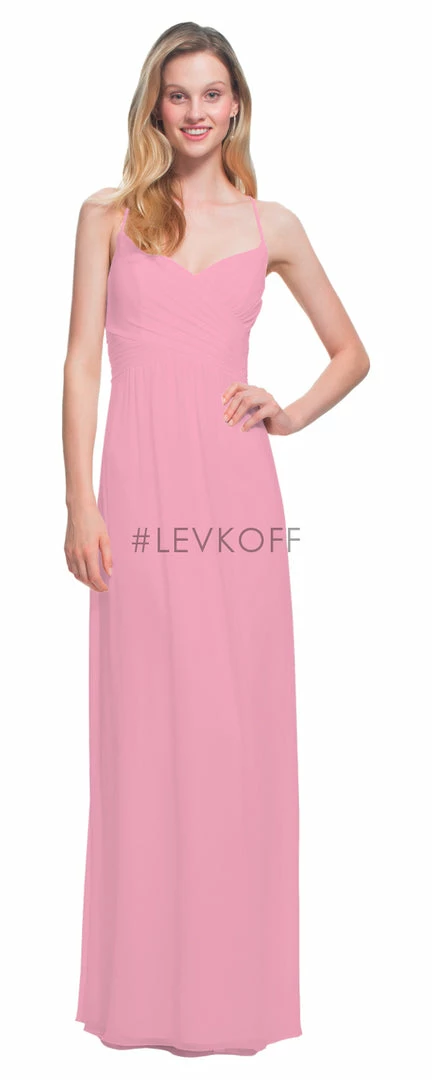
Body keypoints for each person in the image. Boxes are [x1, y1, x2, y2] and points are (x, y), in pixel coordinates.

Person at [63, 21, 370, 1057]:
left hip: (234, 500)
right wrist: (80, 502)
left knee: (233, 732)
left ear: (237, 104)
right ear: (154, 105)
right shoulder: (107, 215)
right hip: (136, 498)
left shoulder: (272, 223)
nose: (195, 111)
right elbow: (81, 363)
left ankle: (233, 997)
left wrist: (291, 411)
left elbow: (351, 351)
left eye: (212, 93)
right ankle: (145, 997)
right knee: (148, 728)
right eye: (178, 93)